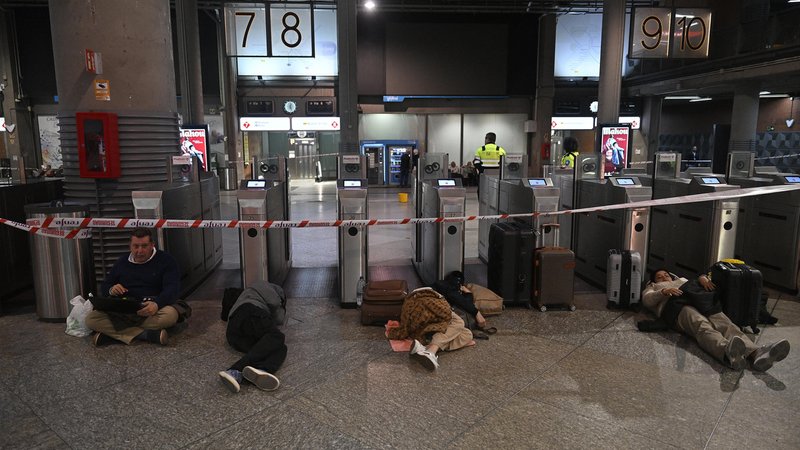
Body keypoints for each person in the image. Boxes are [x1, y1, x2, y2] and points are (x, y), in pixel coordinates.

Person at [642, 269, 790, 371]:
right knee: (701, 325)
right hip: (677, 308)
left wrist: (703, 279)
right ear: (654, 281)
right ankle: (726, 352)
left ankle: (756, 353)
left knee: (724, 323)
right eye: (659, 277)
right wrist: (663, 291)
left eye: (666, 275)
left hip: (700, 302)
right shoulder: (654, 287)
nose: (663, 278)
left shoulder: (681, 280)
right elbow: (647, 300)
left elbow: (694, 282)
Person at [86, 228, 181, 346]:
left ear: (152, 245)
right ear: (130, 246)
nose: (139, 251)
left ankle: (112, 335)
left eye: (144, 246)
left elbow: (172, 288)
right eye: (136, 246)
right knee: (91, 319)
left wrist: (157, 304)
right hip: (126, 308)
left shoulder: (166, 260)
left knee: (170, 315)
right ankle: (146, 335)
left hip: (152, 307)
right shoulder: (122, 262)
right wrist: (112, 289)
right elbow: (105, 285)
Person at [218, 281, 287, 393]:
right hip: (250, 312)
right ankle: (235, 369)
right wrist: (282, 304)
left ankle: (260, 370)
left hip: (234, 334)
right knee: (277, 336)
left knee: (280, 347)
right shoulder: (265, 286)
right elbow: (279, 317)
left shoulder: (248, 293)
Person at [387, 287, 473, 370]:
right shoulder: (437, 297)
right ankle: (431, 351)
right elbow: (448, 313)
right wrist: (469, 294)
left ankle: (424, 348)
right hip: (430, 325)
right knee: (459, 323)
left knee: (467, 334)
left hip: (420, 330)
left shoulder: (409, 302)